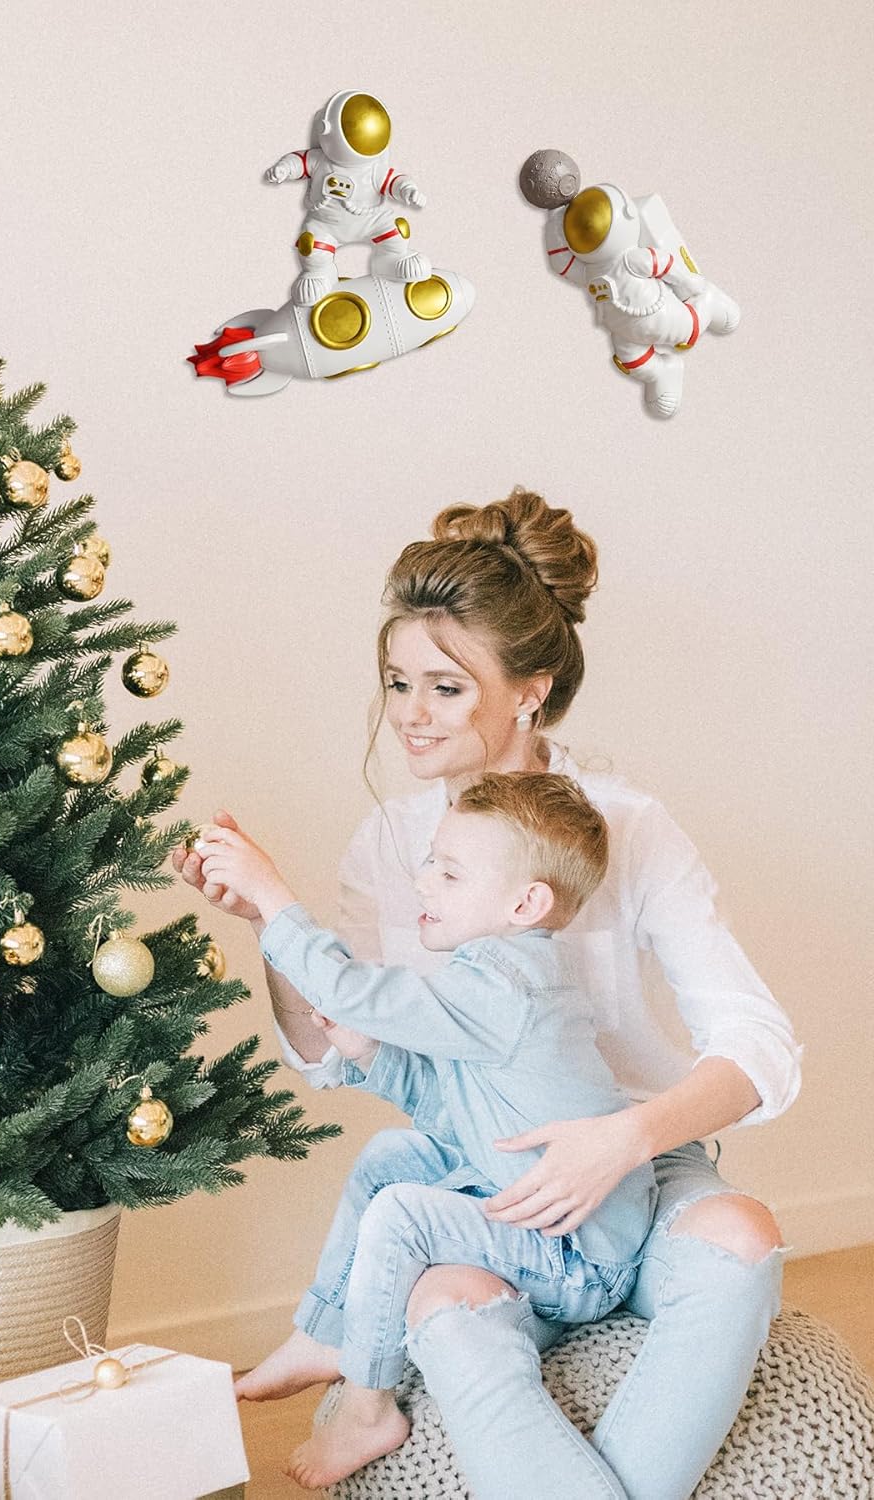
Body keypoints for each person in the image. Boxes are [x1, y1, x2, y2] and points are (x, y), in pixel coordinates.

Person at [175, 488, 801, 1500]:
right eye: (398, 683)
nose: (410, 716)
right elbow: (335, 1055)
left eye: (446, 688)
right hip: (488, 1181)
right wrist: (268, 928)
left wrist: (623, 1140)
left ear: (530, 692)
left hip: (639, 1167)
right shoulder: (389, 844)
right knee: (439, 1290)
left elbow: (760, 1048)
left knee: (743, 1236)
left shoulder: (629, 827)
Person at [196, 772, 658, 1490]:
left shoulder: (507, 983)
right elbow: (449, 1111)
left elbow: (350, 987)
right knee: (394, 1154)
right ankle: (326, 1331)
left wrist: (271, 893)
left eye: (449, 871)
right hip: (525, 1197)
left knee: (403, 1212)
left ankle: (369, 1405)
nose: (424, 880)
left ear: (524, 903)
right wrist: (371, 1053)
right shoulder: (493, 976)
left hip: (579, 1256)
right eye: (429, 860)